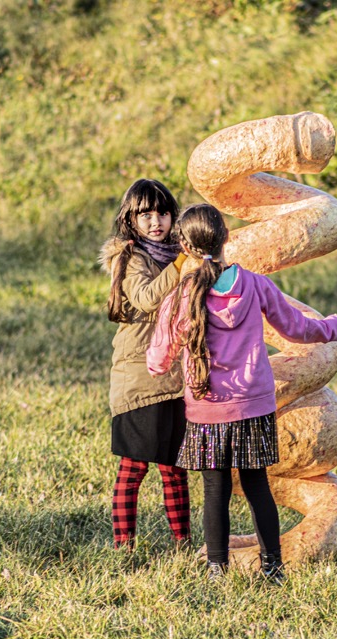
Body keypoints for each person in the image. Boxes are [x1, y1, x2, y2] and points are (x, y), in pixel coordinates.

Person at [147, 204, 337, 581]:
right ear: (225, 238)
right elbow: (296, 328)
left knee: (215, 490)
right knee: (257, 486)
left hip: (207, 411)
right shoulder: (255, 284)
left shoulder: (182, 295)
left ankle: (216, 569)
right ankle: (273, 567)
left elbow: (158, 357)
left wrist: (160, 364)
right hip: (253, 407)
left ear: (186, 247)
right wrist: (332, 327)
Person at [99, 179, 190, 549]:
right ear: (130, 219)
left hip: (174, 375)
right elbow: (148, 297)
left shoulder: (176, 253)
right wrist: (183, 262)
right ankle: (124, 546)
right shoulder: (132, 257)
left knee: (174, 468)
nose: (156, 221)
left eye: (163, 212)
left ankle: (183, 543)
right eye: (146, 214)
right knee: (134, 467)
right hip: (138, 375)